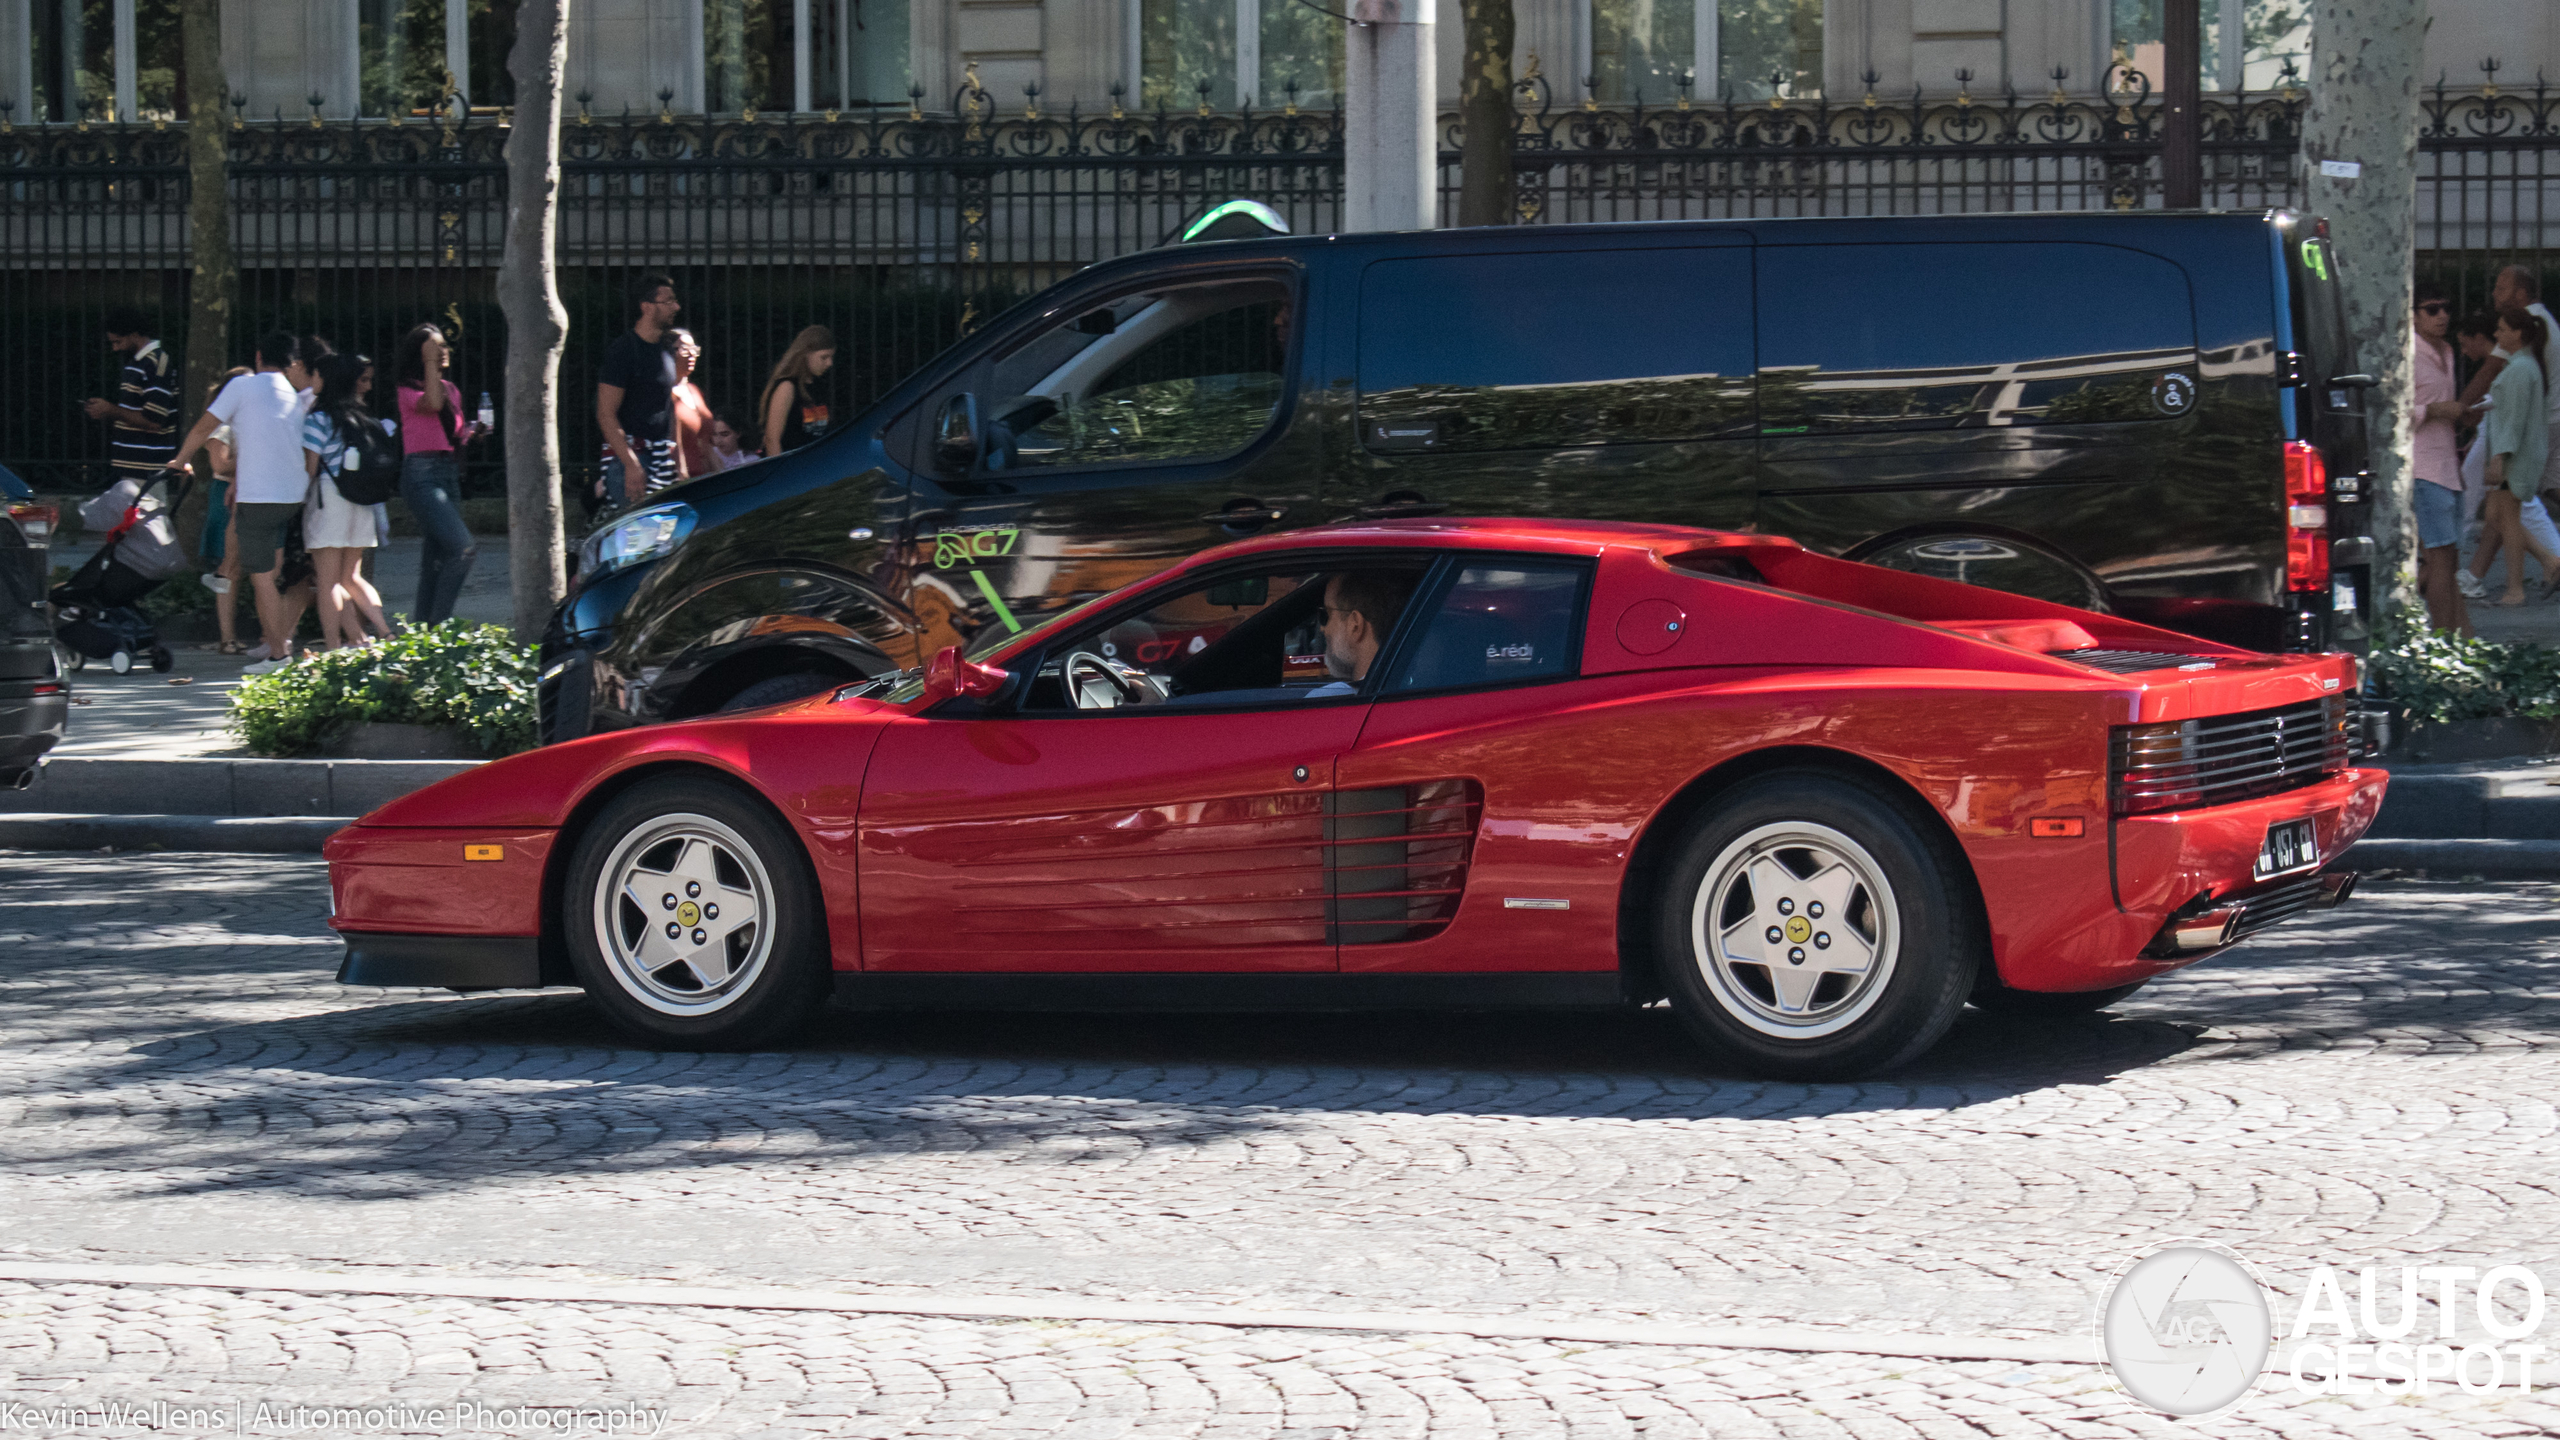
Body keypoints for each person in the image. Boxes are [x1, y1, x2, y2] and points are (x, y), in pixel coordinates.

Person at [164, 331, 315, 673]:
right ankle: (276, 645)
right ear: (293, 363)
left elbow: (204, 428)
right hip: (292, 495)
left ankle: (278, 655)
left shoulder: (242, 387)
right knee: (271, 576)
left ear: (259, 357)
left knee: (260, 577)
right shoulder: (295, 396)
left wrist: (181, 459)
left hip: (258, 497)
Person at [300, 353, 396, 650]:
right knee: (351, 576)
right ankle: (385, 632)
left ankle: (333, 647)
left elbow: (311, 469)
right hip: (363, 500)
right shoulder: (365, 417)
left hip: (329, 500)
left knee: (328, 581)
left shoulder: (318, 419)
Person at [393, 323, 480, 625]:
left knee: (437, 557)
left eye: (444, 346)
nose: (443, 351)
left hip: (447, 471)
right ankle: (439, 625)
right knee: (463, 548)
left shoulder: (451, 388)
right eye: (435, 346)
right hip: (422, 474)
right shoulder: (407, 389)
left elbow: (452, 432)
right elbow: (431, 403)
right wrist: (430, 362)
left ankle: (423, 629)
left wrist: (472, 432)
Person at [2480, 307, 2554, 607]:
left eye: (2502, 329)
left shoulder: (2520, 369)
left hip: (2515, 456)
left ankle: (2515, 588)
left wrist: (2499, 456)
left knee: (2507, 520)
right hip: (2518, 453)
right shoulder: (2523, 366)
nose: (2497, 335)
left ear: (2518, 333)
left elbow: (2513, 419)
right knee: (2496, 516)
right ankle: (2550, 561)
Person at [2409, 286, 2472, 635]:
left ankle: (2460, 635)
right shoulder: (2406, 353)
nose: (2442, 315)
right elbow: (2393, 411)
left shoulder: (2447, 350)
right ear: (2415, 315)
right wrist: (2432, 411)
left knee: (2449, 561)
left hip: (2448, 466)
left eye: (2446, 308)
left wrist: (2461, 414)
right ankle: (2444, 637)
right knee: (2439, 559)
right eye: (2432, 309)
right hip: (2424, 468)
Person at [597, 273, 684, 508]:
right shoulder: (623, 351)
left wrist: (679, 458)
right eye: (668, 302)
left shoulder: (666, 349)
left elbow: (668, 405)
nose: (676, 307)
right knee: (637, 539)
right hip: (631, 458)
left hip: (662, 457)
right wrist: (631, 464)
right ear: (646, 307)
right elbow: (606, 413)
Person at [195, 368, 254, 654]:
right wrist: (255, 459)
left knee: (242, 568)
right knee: (228, 569)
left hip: (248, 493)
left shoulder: (249, 424)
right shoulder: (222, 427)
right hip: (226, 496)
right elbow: (219, 465)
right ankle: (227, 638)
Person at [84, 305, 177, 486]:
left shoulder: (155, 364)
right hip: (135, 466)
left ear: (134, 335)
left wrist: (110, 410)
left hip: (147, 467)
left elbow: (154, 420)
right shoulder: (138, 363)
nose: (115, 348)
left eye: (118, 342)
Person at [1303, 571, 1413, 697]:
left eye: (1326, 615)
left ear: (1355, 625)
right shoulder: (1414, 688)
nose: (1323, 628)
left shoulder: (1328, 699)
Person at [758, 325, 837, 458]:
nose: (830, 363)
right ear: (806, 353)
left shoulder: (819, 386)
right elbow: (772, 440)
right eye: (824, 357)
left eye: (831, 357)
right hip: (790, 469)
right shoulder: (787, 387)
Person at [665, 327, 717, 479]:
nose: (692, 354)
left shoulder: (694, 391)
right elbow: (673, 443)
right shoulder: (664, 394)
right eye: (685, 349)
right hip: (680, 478)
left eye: (694, 349)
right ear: (670, 352)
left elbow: (707, 445)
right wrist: (683, 477)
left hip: (705, 477)